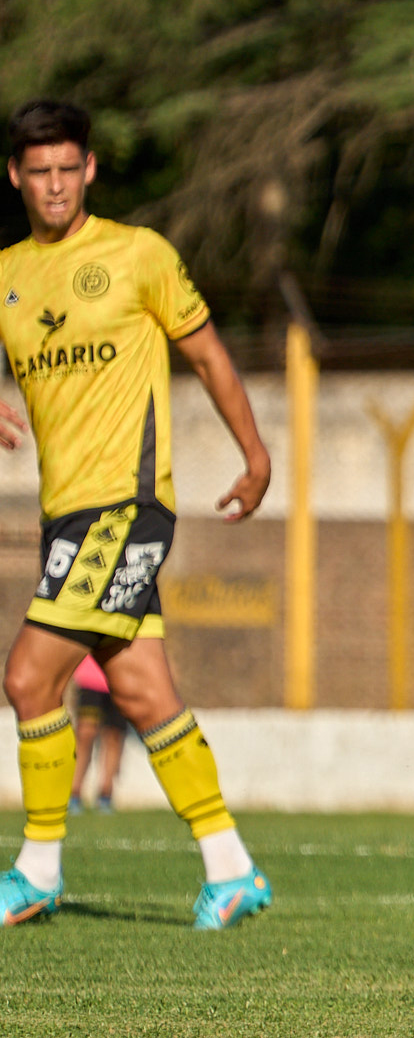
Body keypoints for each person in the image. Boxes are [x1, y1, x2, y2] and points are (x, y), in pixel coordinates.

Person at [0, 99, 273, 930]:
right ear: (15, 176)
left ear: (90, 169)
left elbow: (208, 354)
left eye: (68, 168)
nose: (55, 185)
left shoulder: (137, 255)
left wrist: (255, 454)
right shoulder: (8, 272)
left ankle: (37, 869)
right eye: (39, 171)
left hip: (125, 505)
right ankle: (232, 868)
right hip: (65, 515)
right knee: (143, 690)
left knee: (28, 677)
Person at [66, 653, 125, 813]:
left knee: (114, 736)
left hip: (121, 679)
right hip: (89, 679)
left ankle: (105, 795)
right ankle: (74, 793)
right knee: (85, 734)